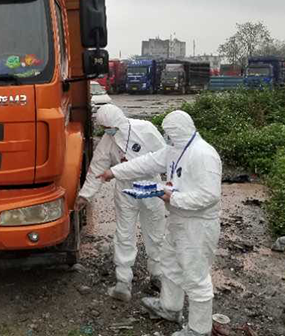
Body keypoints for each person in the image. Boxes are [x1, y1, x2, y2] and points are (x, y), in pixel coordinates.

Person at [97, 110, 222, 336]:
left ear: (178, 131)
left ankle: (199, 329)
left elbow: (209, 196)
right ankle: (170, 307)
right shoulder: (175, 150)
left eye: (169, 133)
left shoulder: (204, 155)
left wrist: (172, 197)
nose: (166, 137)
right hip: (178, 218)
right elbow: (147, 162)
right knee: (170, 263)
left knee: (196, 276)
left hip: (198, 225)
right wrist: (114, 172)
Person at [75, 104, 167, 302]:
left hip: (150, 187)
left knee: (156, 232)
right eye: (105, 128)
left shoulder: (145, 129)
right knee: (124, 233)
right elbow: (97, 167)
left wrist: (173, 184)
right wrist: (85, 195)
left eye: (110, 127)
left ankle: (158, 274)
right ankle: (123, 281)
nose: (108, 131)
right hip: (125, 190)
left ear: (118, 122)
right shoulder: (108, 141)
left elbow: (165, 156)